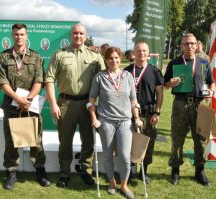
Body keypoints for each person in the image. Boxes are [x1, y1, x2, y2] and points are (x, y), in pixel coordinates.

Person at [45, 23, 106, 188]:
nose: (78, 36)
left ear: (86, 36)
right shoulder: (60, 55)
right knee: (65, 142)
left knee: (88, 141)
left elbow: (105, 81)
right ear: (70, 35)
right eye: (75, 33)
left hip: (88, 104)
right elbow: (49, 80)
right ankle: (64, 174)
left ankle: (86, 172)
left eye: (81, 33)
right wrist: (53, 105)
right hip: (65, 104)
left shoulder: (95, 56)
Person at [0, 23, 51, 190]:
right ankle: (11, 173)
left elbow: (39, 81)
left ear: (27, 36)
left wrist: (27, 99)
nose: (19, 37)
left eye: (22, 34)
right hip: (11, 106)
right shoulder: (3, 57)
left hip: (30, 106)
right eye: (16, 34)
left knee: (36, 140)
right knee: (11, 141)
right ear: (12, 36)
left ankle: (40, 172)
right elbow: (2, 81)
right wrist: (17, 98)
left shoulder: (36, 57)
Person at [88, 47, 142, 199]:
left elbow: (133, 99)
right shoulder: (99, 77)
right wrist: (94, 118)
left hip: (125, 121)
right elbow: (91, 100)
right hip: (106, 121)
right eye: (110, 58)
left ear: (120, 58)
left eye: (116, 57)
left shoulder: (128, 76)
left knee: (125, 156)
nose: (114, 61)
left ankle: (124, 185)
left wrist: (136, 117)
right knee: (107, 155)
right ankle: (112, 182)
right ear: (105, 60)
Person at [164, 33, 216, 186]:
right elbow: (165, 84)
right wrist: (170, 83)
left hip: (200, 105)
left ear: (197, 44)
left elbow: (211, 82)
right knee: (177, 138)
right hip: (180, 104)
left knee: (200, 140)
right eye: (186, 44)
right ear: (181, 46)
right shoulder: (174, 63)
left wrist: (212, 92)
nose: (190, 46)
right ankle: (175, 170)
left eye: (192, 43)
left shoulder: (204, 63)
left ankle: (200, 170)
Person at [124, 41, 164, 184]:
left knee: (148, 144)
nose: (141, 53)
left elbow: (160, 93)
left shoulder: (154, 71)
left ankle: (144, 171)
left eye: (144, 51)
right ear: (134, 53)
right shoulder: (127, 71)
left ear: (148, 54)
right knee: (129, 144)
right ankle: (129, 172)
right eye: (139, 50)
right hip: (128, 115)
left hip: (148, 114)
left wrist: (156, 113)